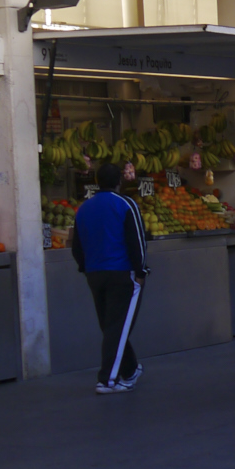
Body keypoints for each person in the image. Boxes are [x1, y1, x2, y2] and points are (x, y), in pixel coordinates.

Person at [69, 162, 149, 393]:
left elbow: (76, 245)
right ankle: (108, 379)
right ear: (119, 181)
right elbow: (137, 241)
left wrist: (85, 267)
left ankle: (131, 368)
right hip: (123, 272)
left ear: (96, 180)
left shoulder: (84, 208)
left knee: (109, 325)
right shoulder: (126, 204)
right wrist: (141, 271)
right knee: (118, 327)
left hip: (95, 274)